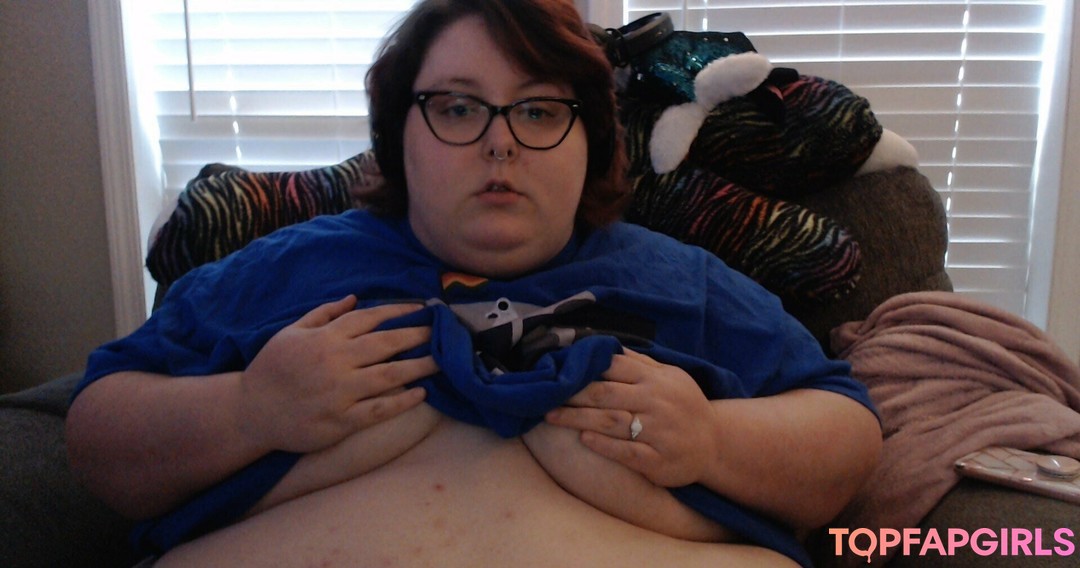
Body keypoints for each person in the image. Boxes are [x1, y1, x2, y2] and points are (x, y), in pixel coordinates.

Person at [65, 1, 882, 566]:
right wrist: (249, 410)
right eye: (458, 109)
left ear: (593, 143)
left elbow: (846, 434)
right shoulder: (287, 269)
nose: (501, 144)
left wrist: (711, 439)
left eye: (539, 111)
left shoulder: (681, 281)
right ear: (399, 134)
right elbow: (98, 434)